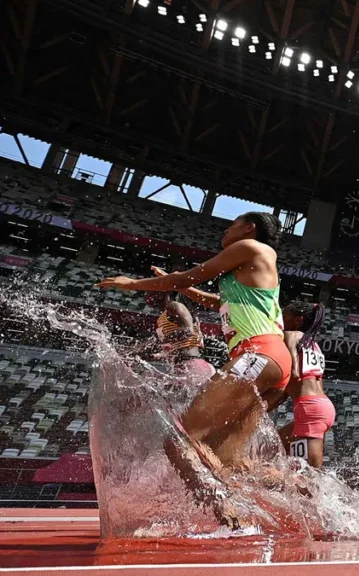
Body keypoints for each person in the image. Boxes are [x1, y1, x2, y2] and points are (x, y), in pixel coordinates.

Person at [97, 212, 291, 524]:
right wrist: (180, 287)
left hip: (258, 354)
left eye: (233, 223)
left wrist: (133, 284)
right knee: (226, 457)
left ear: (249, 228)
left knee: (182, 438)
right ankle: (304, 495)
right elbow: (215, 301)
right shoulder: (253, 268)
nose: (226, 229)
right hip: (272, 361)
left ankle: (231, 519)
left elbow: (190, 276)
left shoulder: (251, 247)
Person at [272, 301, 335, 469]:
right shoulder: (313, 346)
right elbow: (286, 392)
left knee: (307, 477)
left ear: (298, 320)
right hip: (320, 407)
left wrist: (292, 368)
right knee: (273, 445)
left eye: (285, 315)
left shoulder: (292, 334)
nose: (281, 319)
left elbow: (291, 342)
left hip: (310, 411)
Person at [145, 291, 215, 381]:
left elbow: (189, 331)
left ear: (164, 291)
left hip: (193, 365)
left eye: (150, 289)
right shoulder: (160, 320)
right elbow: (173, 348)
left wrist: (161, 341)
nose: (147, 294)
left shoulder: (174, 305)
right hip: (184, 366)